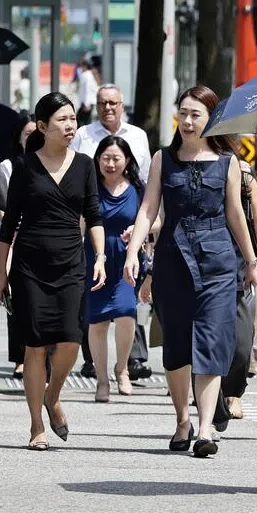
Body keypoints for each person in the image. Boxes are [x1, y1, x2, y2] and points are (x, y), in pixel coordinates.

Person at [123, 85, 257, 458]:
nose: (187, 121)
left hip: (218, 263)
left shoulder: (227, 162)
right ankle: (182, 419)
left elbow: (236, 215)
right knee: (177, 345)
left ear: (211, 118)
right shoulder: (162, 159)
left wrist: (251, 262)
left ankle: (205, 429)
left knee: (213, 342)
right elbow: (149, 209)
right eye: (182, 113)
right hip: (173, 259)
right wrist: (134, 251)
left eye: (195, 114)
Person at [0, 92, 106, 451]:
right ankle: (36, 426)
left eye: (73, 118)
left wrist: (100, 255)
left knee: (71, 340)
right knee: (35, 346)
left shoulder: (86, 165)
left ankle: (52, 394)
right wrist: (1, 270)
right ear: (42, 126)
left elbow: (94, 215)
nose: (70, 125)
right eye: (62, 119)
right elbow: (9, 223)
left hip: (72, 261)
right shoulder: (24, 167)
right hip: (29, 264)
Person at [71, 82, 154, 379]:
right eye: (102, 103)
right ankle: (97, 368)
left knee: (126, 310)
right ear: (96, 105)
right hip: (94, 238)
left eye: (113, 103)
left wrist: (143, 232)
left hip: (128, 237)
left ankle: (127, 365)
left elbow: (148, 189)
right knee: (95, 315)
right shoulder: (83, 135)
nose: (108, 108)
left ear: (122, 105)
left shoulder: (138, 137)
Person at [216, 159, 257, 425]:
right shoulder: (211, 196)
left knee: (243, 344)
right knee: (212, 340)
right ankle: (215, 397)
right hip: (213, 271)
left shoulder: (256, 203)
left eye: (246, 174)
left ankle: (233, 393)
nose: (242, 179)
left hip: (245, 276)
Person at [87, 135, 145, 402]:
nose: (110, 163)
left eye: (116, 158)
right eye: (105, 158)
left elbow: (155, 220)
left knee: (125, 312)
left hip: (126, 259)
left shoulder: (137, 188)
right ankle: (101, 381)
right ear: (97, 160)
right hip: (94, 257)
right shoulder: (89, 186)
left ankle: (122, 368)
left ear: (127, 161)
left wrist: (138, 230)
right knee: (97, 321)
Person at [0, 109, 36, 380]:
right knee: (16, 298)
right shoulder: (9, 166)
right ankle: (20, 356)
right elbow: (5, 207)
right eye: (28, 133)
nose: (32, 137)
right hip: (15, 237)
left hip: (40, 237)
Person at [75, 56, 99, 126]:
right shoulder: (89, 75)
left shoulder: (86, 75)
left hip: (86, 103)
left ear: (85, 66)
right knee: (86, 121)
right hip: (88, 102)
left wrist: (86, 104)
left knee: (81, 122)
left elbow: (87, 90)